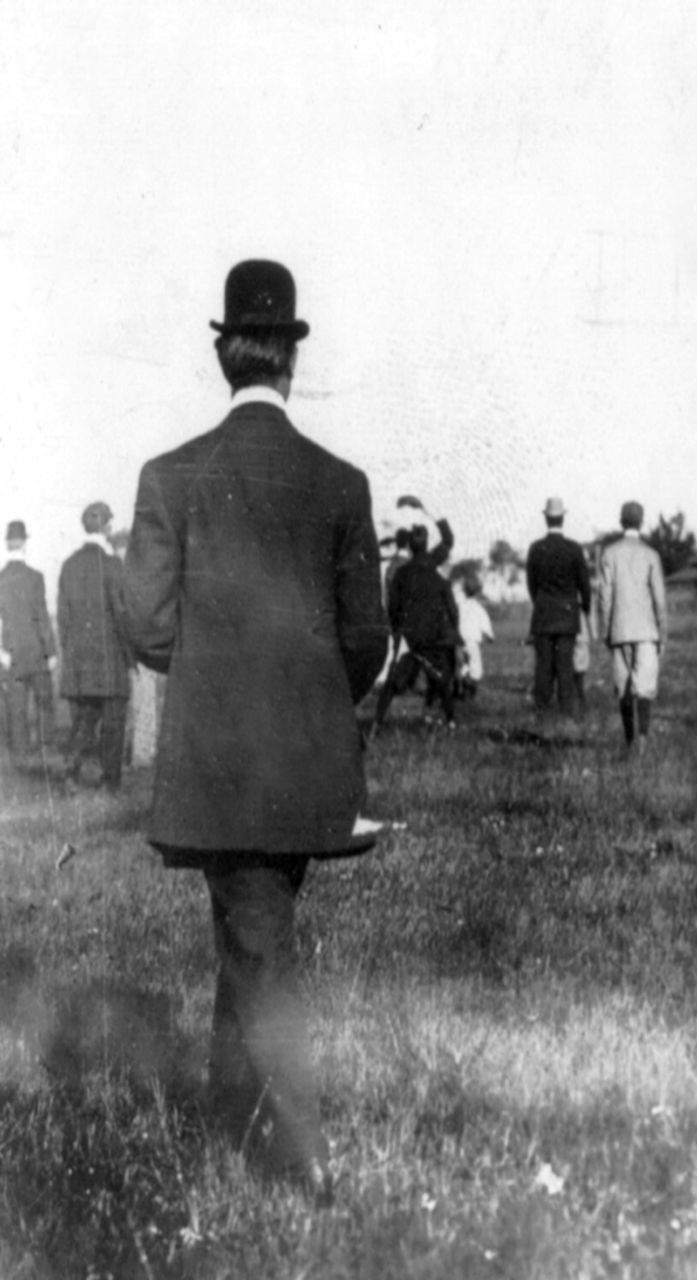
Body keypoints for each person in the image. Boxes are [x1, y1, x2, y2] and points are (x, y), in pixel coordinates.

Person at [124, 259, 388, 1200]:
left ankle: (306, 1152)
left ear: (224, 356)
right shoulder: (341, 482)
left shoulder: (169, 476)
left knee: (256, 941)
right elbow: (367, 638)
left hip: (216, 761)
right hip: (311, 764)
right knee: (254, 929)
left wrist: (214, 681)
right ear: (290, 360)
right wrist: (309, 701)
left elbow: (146, 627)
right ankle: (228, 1120)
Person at [57, 503, 133, 787]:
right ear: (107, 527)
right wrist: (130, 657)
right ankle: (109, 783)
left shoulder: (68, 565)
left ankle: (70, 774)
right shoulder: (113, 565)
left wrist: (70, 653)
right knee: (113, 722)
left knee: (83, 722)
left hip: (79, 660)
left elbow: (63, 618)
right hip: (109, 659)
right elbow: (122, 614)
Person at [371, 526, 460, 733]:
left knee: (392, 681)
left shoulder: (401, 574)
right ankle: (451, 721)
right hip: (433, 637)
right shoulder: (438, 578)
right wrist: (454, 634)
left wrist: (397, 631)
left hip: (408, 636)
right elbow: (452, 610)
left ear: (410, 547)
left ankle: (376, 724)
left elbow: (393, 607)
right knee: (441, 679)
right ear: (427, 545)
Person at [595, 501, 667, 748]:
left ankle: (629, 741)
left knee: (623, 687)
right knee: (644, 687)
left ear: (621, 521)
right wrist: (662, 634)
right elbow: (659, 599)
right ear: (641, 522)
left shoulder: (609, 554)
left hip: (619, 630)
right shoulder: (651, 555)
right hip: (647, 631)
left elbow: (604, 598)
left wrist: (606, 631)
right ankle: (643, 741)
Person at [525, 497, 591, 715]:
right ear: (563, 518)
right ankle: (566, 712)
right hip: (567, 615)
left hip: (543, 615)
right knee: (565, 665)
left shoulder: (536, 548)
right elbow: (584, 585)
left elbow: (531, 584)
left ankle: (542, 711)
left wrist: (541, 604)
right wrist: (585, 608)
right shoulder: (574, 549)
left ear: (546, 518)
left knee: (543, 666)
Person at [0, 518, 58, 757]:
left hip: (10, 653)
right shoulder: (36, 577)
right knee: (44, 703)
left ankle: (20, 754)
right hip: (36, 652)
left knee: (16, 707)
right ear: (24, 544)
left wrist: (2, 651)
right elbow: (42, 617)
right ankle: (45, 750)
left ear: (7, 544)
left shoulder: (1, 578)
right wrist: (51, 652)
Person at [451, 569, 494, 700]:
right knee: (475, 668)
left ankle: (460, 685)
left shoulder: (457, 606)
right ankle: (469, 690)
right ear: (478, 592)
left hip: (458, 641)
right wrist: (489, 638)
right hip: (472, 642)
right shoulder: (479, 609)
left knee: (460, 665)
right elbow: (487, 630)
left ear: (463, 591)